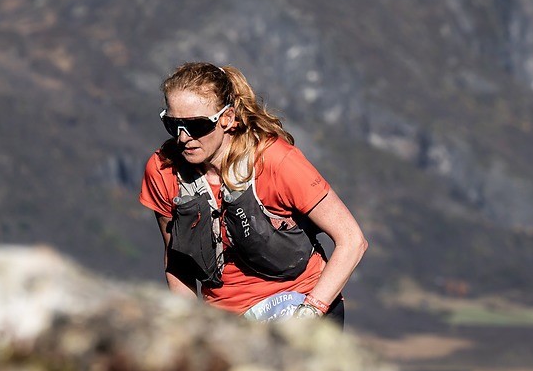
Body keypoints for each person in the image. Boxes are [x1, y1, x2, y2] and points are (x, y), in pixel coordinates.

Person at [138, 62, 367, 324]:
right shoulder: (163, 170)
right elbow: (178, 262)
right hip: (228, 321)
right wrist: (190, 325)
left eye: (196, 126)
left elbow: (352, 240)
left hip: (304, 303)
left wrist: (310, 311)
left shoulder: (276, 161)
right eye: (172, 124)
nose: (183, 137)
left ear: (227, 118)